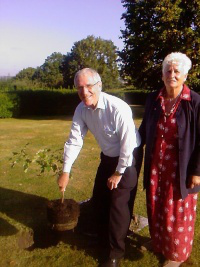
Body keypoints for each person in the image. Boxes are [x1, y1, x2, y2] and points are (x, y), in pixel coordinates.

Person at [57, 68, 140, 267]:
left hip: (128, 156)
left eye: (88, 86)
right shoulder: (81, 109)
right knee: (99, 198)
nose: (84, 92)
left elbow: (127, 145)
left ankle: (115, 254)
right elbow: (75, 140)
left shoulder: (117, 108)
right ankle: (103, 239)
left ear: (99, 86)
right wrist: (65, 171)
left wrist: (118, 172)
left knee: (118, 205)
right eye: (79, 88)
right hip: (108, 156)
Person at [136, 52, 200, 267]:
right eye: (168, 70)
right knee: (156, 206)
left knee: (177, 212)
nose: (171, 74)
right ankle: (159, 242)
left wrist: (197, 171)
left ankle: (174, 255)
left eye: (176, 71)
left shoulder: (195, 101)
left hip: (180, 169)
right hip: (156, 167)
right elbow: (144, 130)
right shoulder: (154, 99)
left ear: (184, 75)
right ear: (162, 75)